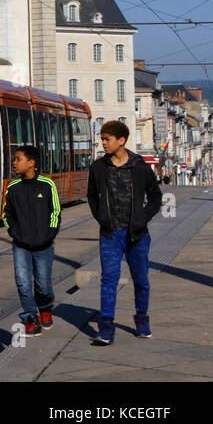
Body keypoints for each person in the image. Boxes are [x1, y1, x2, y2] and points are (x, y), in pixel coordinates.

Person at [87, 120, 162, 344]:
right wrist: (101, 217)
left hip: (137, 234)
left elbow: (155, 196)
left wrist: (143, 218)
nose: (103, 143)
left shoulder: (140, 167)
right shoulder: (99, 167)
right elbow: (92, 196)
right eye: (102, 139)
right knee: (109, 279)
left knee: (141, 279)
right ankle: (106, 328)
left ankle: (142, 321)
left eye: (107, 139)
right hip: (110, 234)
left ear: (122, 140)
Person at [3, 144, 61, 338]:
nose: (14, 162)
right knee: (22, 282)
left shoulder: (47, 184)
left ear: (32, 163)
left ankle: (45, 308)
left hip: (44, 245)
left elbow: (55, 212)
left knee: (43, 285)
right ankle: (29, 318)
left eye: (18, 159)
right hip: (21, 245)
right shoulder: (13, 187)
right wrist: (14, 232)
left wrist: (49, 235)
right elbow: (6, 214)